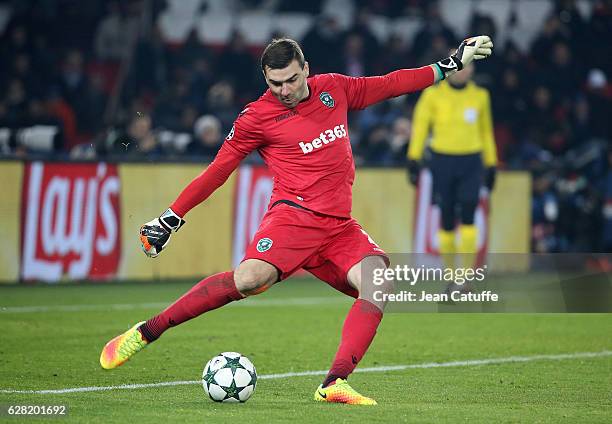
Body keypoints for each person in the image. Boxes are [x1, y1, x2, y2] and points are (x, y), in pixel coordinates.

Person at [100, 36, 493, 405]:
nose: (284, 90)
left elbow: (392, 83)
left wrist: (450, 64)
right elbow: (218, 170)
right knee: (250, 280)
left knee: (379, 279)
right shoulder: (256, 117)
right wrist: (172, 218)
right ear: (265, 80)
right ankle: (146, 331)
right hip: (292, 219)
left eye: (291, 80)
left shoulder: (334, 89)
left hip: (338, 226)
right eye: (275, 84)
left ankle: (334, 383)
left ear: (306, 68)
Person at [406, 61, 498, 279]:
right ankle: (451, 276)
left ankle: (465, 277)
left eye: (467, 66)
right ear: (450, 69)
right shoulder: (432, 96)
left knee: (468, 215)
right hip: (442, 160)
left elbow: (486, 132)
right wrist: (413, 158)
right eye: (459, 66)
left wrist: (492, 163)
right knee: (446, 217)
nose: (463, 71)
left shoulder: (480, 96)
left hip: (471, 161)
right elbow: (420, 128)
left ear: (473, 70)